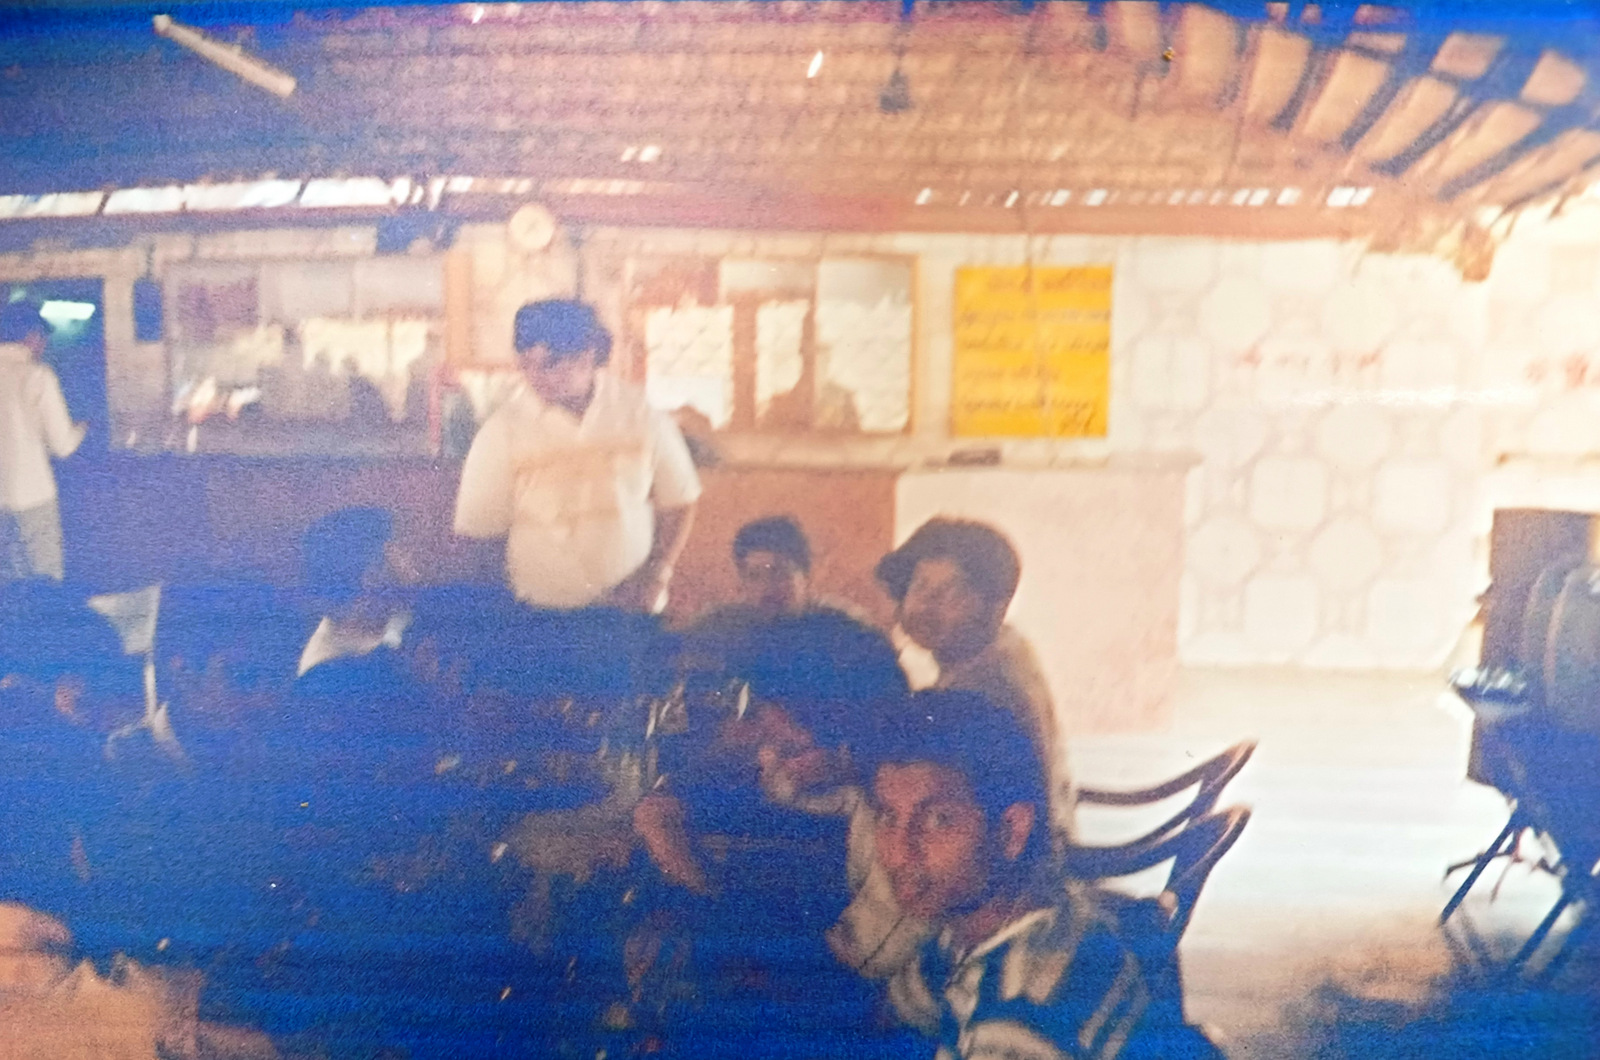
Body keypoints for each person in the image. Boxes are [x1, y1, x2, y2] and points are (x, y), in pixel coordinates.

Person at [862, 691, 1219, 1060]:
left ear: (1011, 831)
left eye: (939, 820)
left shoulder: (1027, 1007)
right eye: (888, 817)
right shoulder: (975, 926)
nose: (899, 852)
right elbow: (896, 1010)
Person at [453, 299, 701, 612]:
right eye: (526, 365)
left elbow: (679, 500)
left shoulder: (640, 413)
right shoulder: (501, 431)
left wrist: (656, 575)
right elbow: (481, 534)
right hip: (539, 613)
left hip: (631, 610)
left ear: (587, 355)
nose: (536, 377)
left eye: (550, 363)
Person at [875, 518, 1067, 814]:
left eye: (952, 592)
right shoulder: (999, 649)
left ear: (997, 607)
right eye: (920, 585)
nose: (926, 605)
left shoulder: (989, 686)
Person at [686, 515, 908, 715]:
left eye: (778, 572)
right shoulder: (719, 631)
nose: (767, 587)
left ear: (806, 575)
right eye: (753, 576)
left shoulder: (852, 638)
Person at [0, 301, 85, 582]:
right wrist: (82, 428)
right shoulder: (38, 376)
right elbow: (63, 446)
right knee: (45, 581)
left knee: (7, 587)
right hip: (33, 496)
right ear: (32, 337)